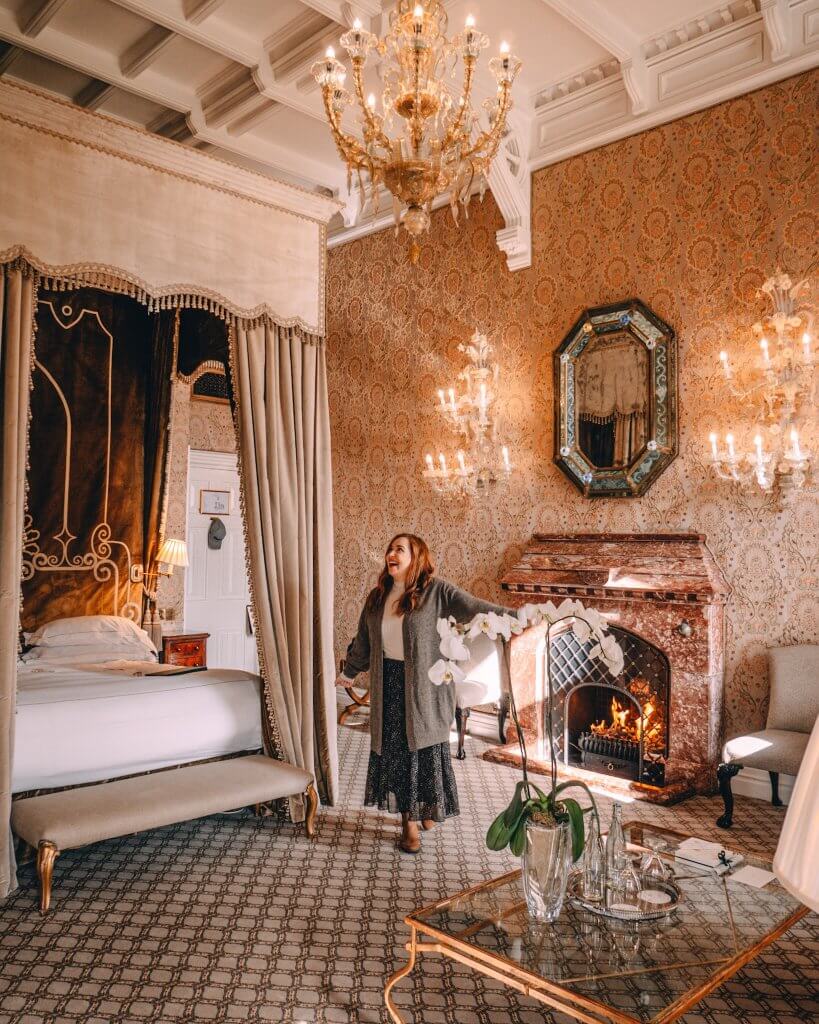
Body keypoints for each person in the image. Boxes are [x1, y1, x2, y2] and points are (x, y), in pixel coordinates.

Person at [338, 533, 510, 853]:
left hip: (426, 689)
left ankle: (426, 808)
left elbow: (477, 609)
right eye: (390, 548)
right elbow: (363, 640)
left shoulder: (438, 592)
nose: (391, 553)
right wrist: (349, 672)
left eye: (399, 549)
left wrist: (519, 618)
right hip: (388, 683)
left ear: (416, 556)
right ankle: (409, 825)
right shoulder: (377, 598)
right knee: (398, 755)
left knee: (425, 752)